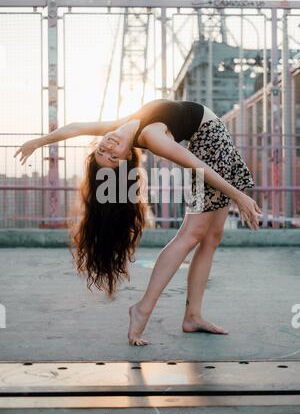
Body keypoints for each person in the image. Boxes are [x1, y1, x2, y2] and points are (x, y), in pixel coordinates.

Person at [14, 99, 262, 346]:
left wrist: (38, 142)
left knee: (211, 237)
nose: (107, 148)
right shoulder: (152, 136)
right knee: (192, 234)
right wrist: (238, 196)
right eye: (112, 157)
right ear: (127, 156)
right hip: (211, 156)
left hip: (217, 148)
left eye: (102, 151)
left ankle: (193, 316)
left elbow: (76, 127)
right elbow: (196, 165)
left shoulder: (123, 124)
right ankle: (143, 309)